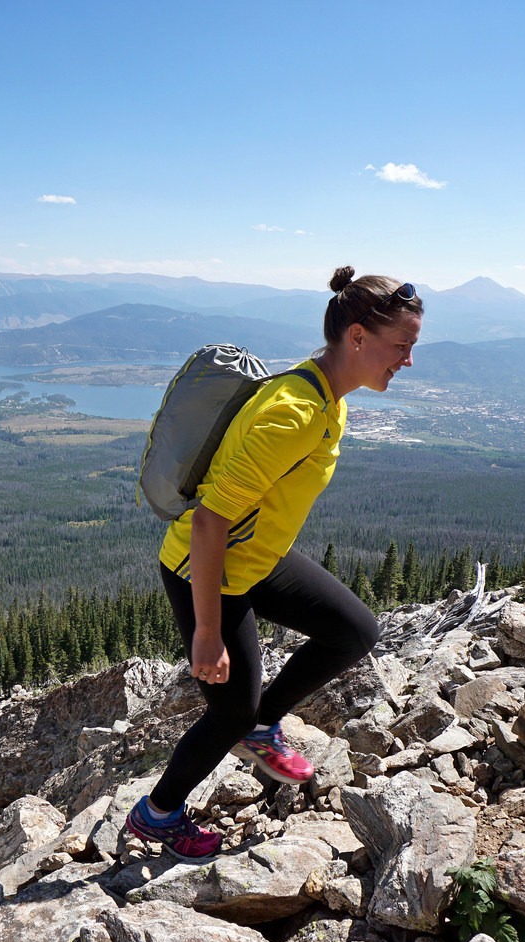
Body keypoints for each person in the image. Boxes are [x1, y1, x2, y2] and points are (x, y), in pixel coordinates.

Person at [126, 268, 423, 859]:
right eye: (402, 346)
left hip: (255, 558)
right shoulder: (294, 412)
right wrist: (208, 634)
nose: (408, 360)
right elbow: (210, 521)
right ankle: (157, 813)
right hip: (206, 567)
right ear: (358, 337)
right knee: (230, 707)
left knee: (355, 630)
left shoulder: (324, 393)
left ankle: (261, 725)